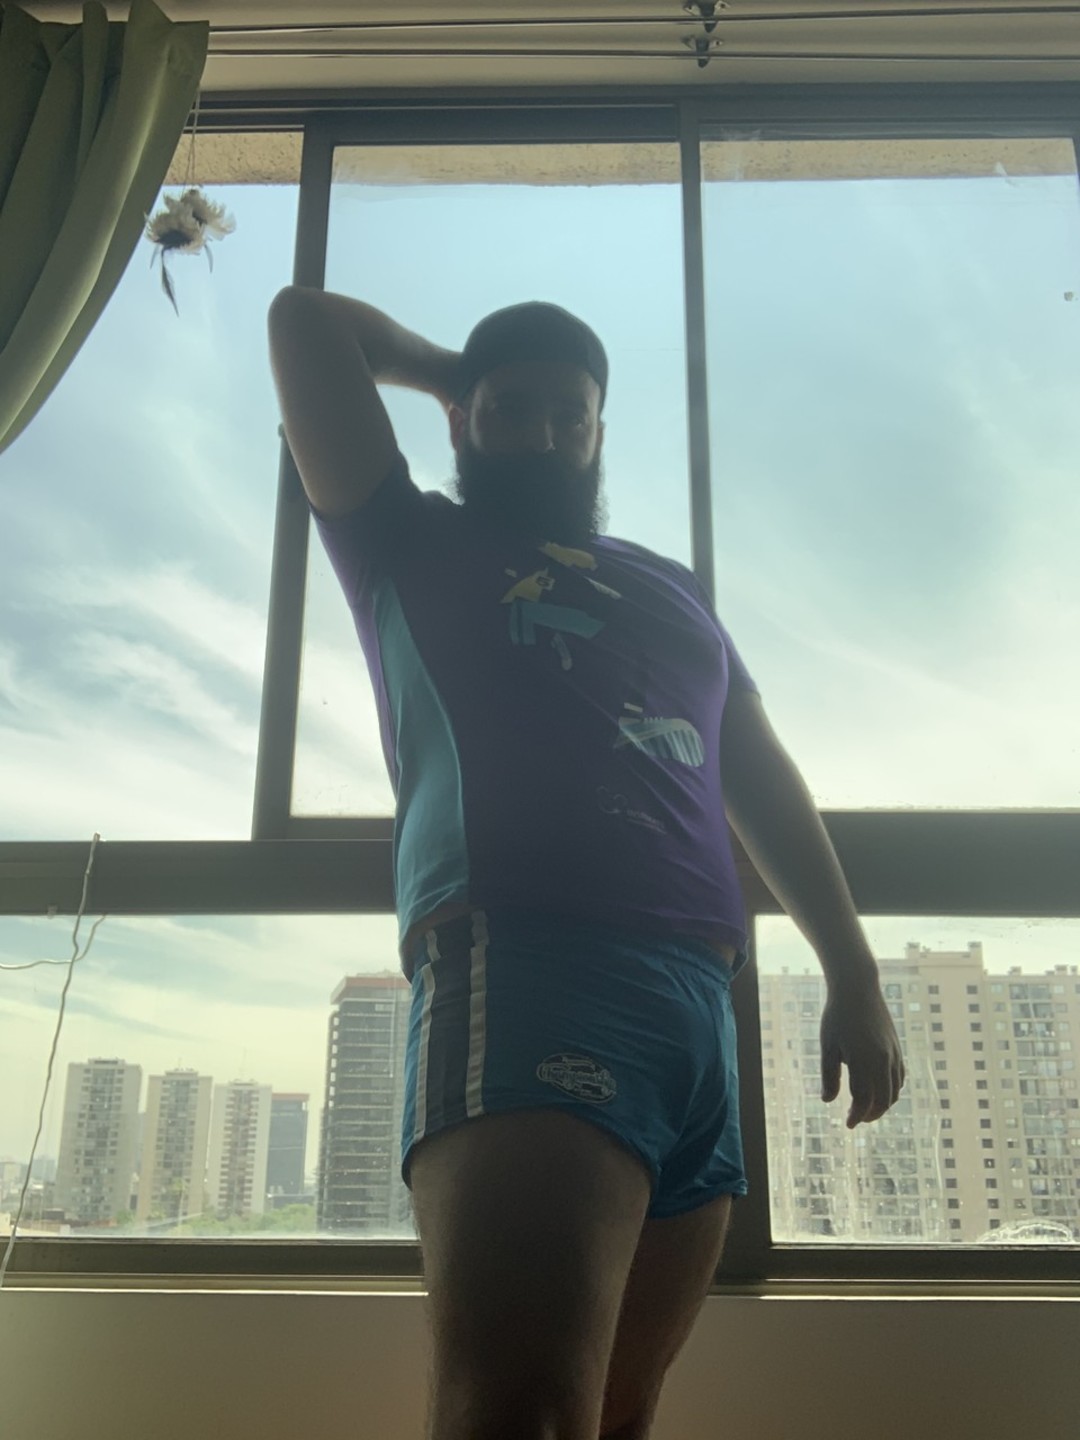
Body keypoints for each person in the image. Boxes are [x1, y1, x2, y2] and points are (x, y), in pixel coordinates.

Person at [268, 289, 906, 1440]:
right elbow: (304, 322)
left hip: (699, 1005)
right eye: (512, 410)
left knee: (618, 1416)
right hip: (528, 968)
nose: (546, 435)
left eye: (573, 415)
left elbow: (759, 774)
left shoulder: (673, 587)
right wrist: (458, 367)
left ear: (601, 434)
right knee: (520, 1413)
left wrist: (852, 971)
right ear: (463, 421)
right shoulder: (404, 539)